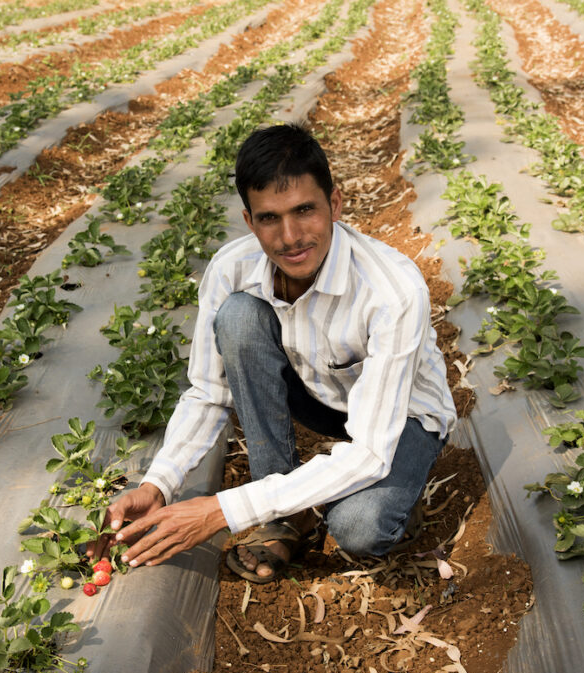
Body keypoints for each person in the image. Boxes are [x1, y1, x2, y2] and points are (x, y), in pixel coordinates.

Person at [90, 123, 456, 583]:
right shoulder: (232, 269)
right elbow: (209, 391)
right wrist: (158, 482)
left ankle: (397, 495)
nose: (290, 236)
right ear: (249, 220)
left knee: (360, 527)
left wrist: (223, 510)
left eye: (305, 210)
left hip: (400, 414)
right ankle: (284, 517)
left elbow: (369, 451)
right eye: (269, 218)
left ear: (335, 204)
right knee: (239, 318)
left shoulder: (392, 289)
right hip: (320, 393)